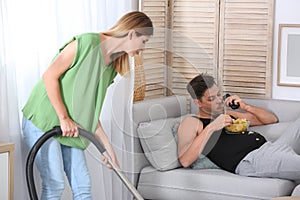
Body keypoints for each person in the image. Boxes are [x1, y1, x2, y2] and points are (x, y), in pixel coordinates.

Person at [22, 11, 153, 200]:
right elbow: (50, 76)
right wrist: (64, 118)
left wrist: (107, 147)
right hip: (42, 121)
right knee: (55, 184)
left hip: (73, 127)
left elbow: (89, 111)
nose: (144, 48)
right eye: (145, 41)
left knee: (82, 186)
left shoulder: (112, 68)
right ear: (132, 33)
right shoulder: (86, 44)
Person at [177, 73, 300, 181]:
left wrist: (245, 107)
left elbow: (271, 119)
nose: (219, 100)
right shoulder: (191, 122)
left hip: (270, 147)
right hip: (252, 160)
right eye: (212, 99)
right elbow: (185, 160)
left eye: (219, 94)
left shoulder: (227, 114)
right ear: (198, 103)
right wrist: (212, 127)